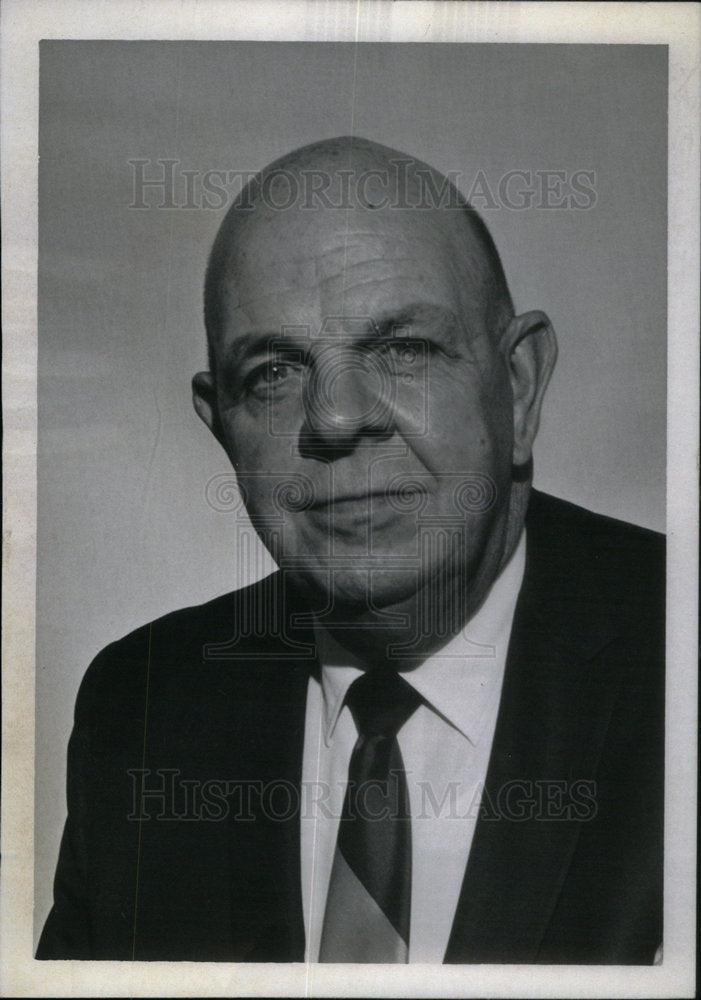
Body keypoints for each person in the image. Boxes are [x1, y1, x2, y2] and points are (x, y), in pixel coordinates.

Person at [37, 136, 664, 964]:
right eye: (272, 371)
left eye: (402, 349)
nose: (334, 418)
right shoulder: (145, 706)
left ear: (518, 382)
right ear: (219, 420)